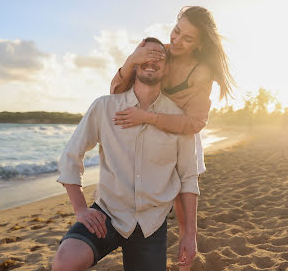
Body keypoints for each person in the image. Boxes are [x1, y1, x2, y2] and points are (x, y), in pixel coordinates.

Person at [51, 37, 199, 271]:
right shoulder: (104, 107)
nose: (151, 60)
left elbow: (188, 179)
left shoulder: (179, 119)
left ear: (167, 68)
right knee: (65, 261)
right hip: (108, 213)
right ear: (134, 62)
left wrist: (189, 234)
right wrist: (80, 209)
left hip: (152, 222)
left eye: (159, 56)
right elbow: (71, 156)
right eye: (145, 54)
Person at [110, 7, 235, 270]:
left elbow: (195, 123)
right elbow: (115, 91)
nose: (177, 41)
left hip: (181, 135)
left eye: (188, 39)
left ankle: (186, 256)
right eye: (177, 31)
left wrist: (149, 117)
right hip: (146, 137)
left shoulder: (201, 72)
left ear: (200, 44)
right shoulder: (155, 52)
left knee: (183, 207)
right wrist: (133, 60)